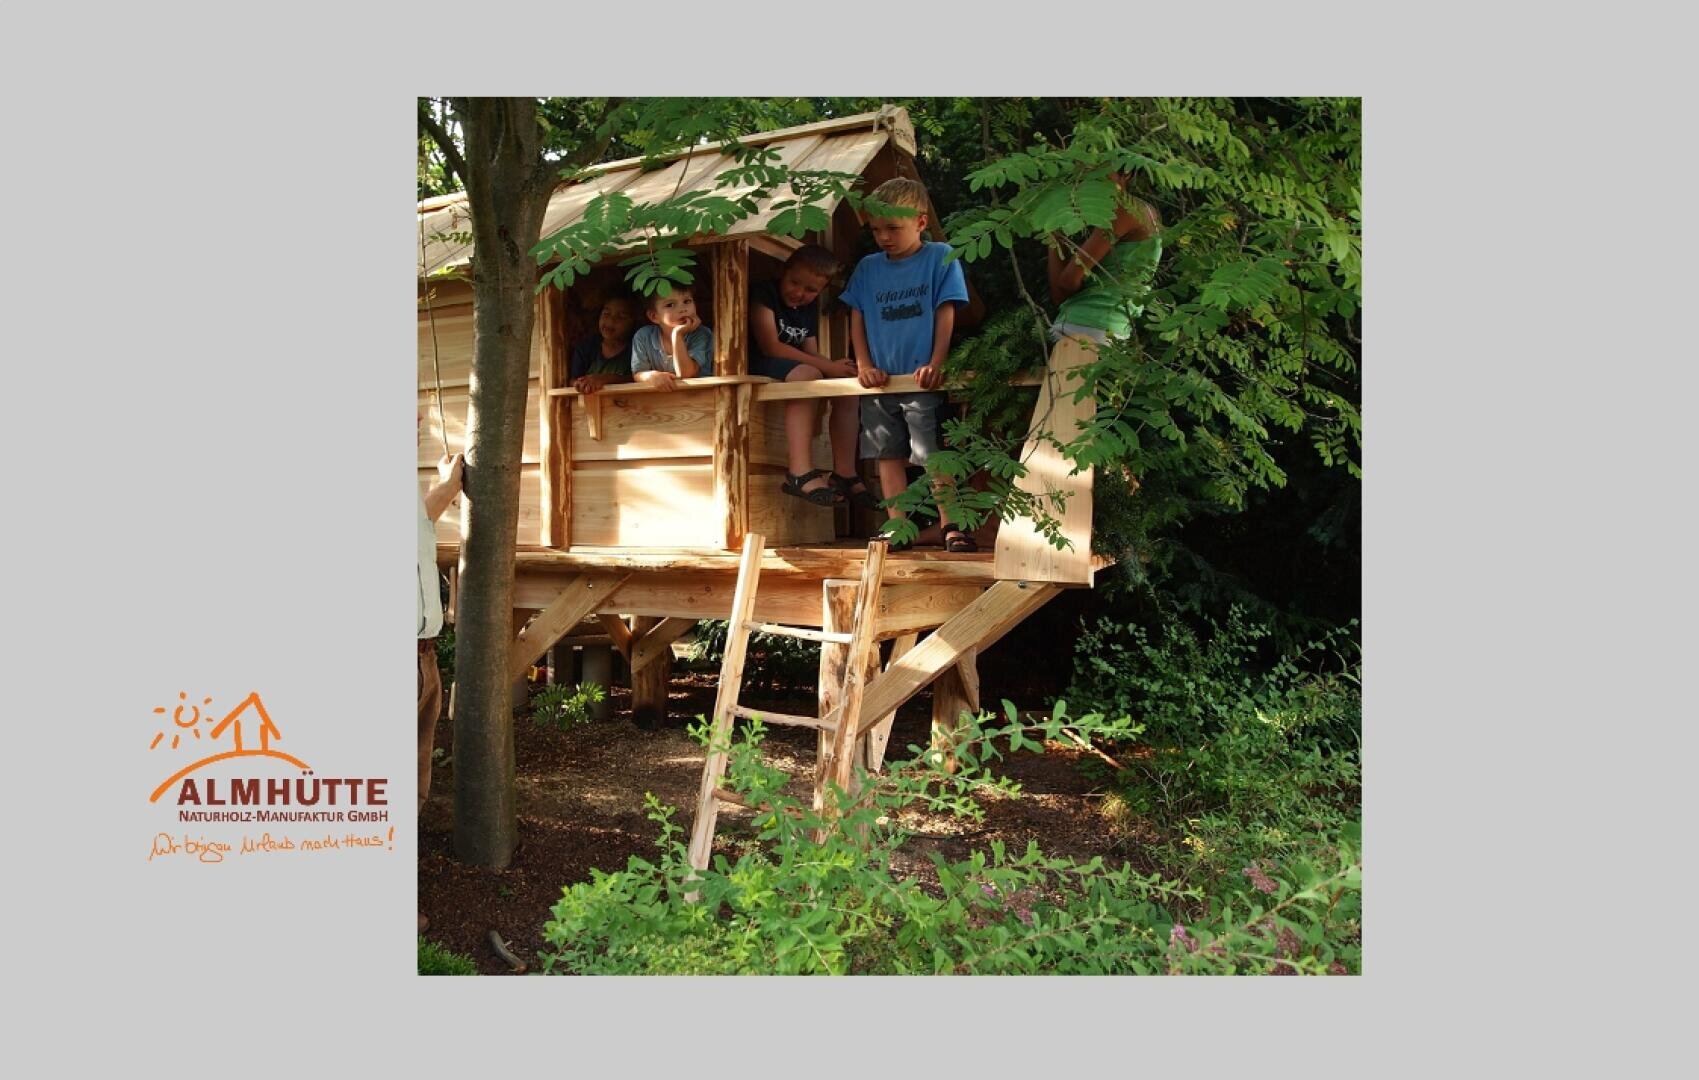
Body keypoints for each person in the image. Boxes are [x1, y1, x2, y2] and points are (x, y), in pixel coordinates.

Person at [840, 177, 975, 551]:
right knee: (887, 452)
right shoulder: (868, 267)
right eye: (877, 230)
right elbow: (857, 315)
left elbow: (945, 311)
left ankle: (951, 524)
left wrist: (937, 362)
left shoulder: (940, 257)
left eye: (893, 229)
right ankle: (896, 525)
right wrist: (865, 364)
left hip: (921, 378)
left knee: (932, 454)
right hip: (882, 381)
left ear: (920, 221)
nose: (884, 237)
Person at [748, 245, 876, 509]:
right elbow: (770, 346)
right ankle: (799, 472)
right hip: (759, 362)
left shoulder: (808, 307)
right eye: (794, 282)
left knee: (846, 388)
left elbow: (810, 351)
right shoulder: (765, 293)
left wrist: (834, 370)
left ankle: (844, 472)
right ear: (783, 272)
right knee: (811, 373)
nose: (799, 293)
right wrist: (827, 367)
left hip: (795, 366)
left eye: (811, 290)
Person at [416, 445, 463, 934]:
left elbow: (415, 523)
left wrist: (447, 487)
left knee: (414, 786)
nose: (416, 424)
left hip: (422, 656)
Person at [1047, 172, 1163, 344]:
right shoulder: (1142, 212)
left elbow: (1067, 282)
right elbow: (1061, 294)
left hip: (1086, 330)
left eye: (1101, 169)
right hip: (1108, 330)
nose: (1090, 177)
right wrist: (1054, 236)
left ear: (1127, 174)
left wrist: (1053, 235)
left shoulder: (1125, 210)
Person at [629, 283, 714, 391]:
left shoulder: (701, 334)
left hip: (701, 399)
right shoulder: (643, 336)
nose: (682, 309)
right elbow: (638, 373)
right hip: (661, 403)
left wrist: (677, 335)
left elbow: (686, 374)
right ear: (654, 316)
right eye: (670, 305)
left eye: (687, 301)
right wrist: (652, 376)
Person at [568, 291, 641, 394]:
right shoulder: (585, 348)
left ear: (634, 321)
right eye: (606, 313)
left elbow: (637, 379)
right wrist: (580, 384)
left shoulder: (637, 349)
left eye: (621, 317)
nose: (611, 320)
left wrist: (606, 379)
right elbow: (573, 380)